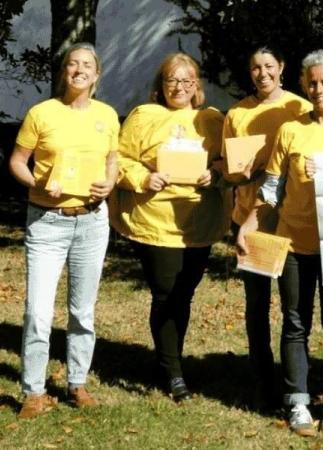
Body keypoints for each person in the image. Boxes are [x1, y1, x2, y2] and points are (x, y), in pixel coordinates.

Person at [237, 49, 323, 436]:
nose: (318, 88)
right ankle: (298, 402)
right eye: (312, 82)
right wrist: (248, 224)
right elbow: (272, 188)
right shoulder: (291, 130)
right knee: (295, 324)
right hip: (293, 242)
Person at [9, 42, 119, 418]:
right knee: (38, 312)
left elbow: (112, 159)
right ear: (64, 72)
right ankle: (33, 391)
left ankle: (77, 382)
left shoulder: (107, 115)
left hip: (92, 220)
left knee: (82, 311)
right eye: (72, 64)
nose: (79, 70)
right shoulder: (42, 113)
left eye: (87, 64)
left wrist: (110, 182)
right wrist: (37, 186)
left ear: (96, 74)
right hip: (47, 222)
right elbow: (17, 162)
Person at [110, 53, 227, 402]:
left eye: (186, 80)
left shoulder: (212, 119)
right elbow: (119, 157)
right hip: (156, 219)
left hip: (198, 221)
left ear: (197, 85)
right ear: (160, 86)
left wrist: (215, 173)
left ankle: (166, 361)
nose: (179, 87)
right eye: (171, 80)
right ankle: (174, 373)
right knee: (166, 294)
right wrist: (144, 177)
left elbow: (227, 160)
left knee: (184, 294)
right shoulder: (144, 115)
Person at [222, 46, 311, 411]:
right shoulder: (237, 113)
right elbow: (227, 171)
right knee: (257, 305)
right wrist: (237, 174)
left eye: (269, 66)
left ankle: (298, 380)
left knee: (296, 308)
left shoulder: (299, 108)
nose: (262, 73)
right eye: (256, 67)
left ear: (282, 68)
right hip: (251, 218)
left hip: (291, 220)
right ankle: (263, 380)